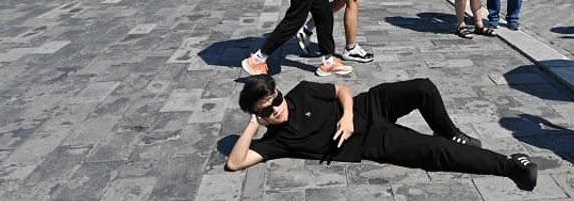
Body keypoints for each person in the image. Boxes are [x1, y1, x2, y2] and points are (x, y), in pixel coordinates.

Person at [225, 76, 538, 192]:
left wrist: (346, 116)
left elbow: (341, 90)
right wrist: (254, 124)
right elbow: (235, 163)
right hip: (370, 141)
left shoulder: (303, 92)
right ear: (259, 116)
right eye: (266, 111)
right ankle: (511, 164)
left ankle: (454, 132)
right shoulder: (276, 141)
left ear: (279, 92)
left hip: (366, 106)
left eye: (275, 101)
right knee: (433, 152)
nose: (276, 110)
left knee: (423, 88)